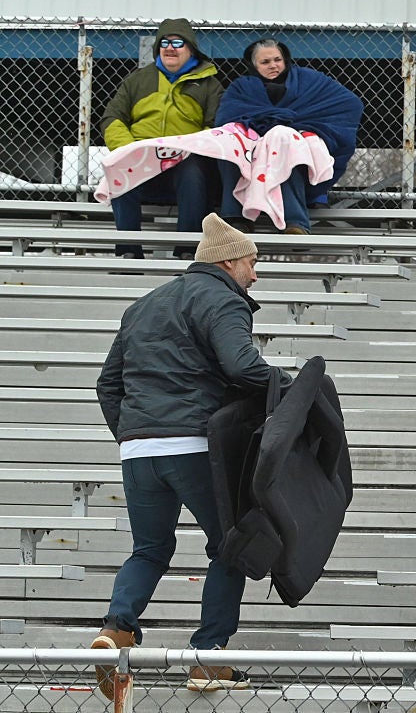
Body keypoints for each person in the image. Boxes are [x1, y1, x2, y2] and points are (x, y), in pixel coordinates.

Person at [92, 213, 292, 697]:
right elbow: (241, 367)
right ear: (227, 262)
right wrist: (291, 386)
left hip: (139, 449)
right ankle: (208, 658)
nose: (255, 276)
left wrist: (132, 434)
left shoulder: (144, 304)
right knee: (230, 547)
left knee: (149, 549)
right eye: (251, 263)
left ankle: (116, 629)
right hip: (194, 444)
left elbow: (107, 385)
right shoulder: (223, 299)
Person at [100, 18, 223, 258]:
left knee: (193, 169)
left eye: (177, 43)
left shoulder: (209, 85)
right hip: (142, 163)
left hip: (183, 164)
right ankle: (128, 251)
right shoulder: (138, 80)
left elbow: (215, 128)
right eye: (164, 43)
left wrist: (187, 148)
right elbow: (112, 118)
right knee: (120, 163)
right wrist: (130, 150)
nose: (170, 48)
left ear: (191, 49)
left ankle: (186, 249)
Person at [214, 38, 364, 234]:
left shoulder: (309, 80)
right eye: (265, 62)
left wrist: (299, 128)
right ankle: (237, 219)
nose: (273, 65)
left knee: (285, 141)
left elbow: (350, 103)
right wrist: (267, 125)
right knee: (231, 140)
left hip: (294, 148)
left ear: (285, 59)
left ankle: (295, 224)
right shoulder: (241, 87)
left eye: (277, 59)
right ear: (253, 65)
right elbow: (226, 119)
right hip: (252, 150)